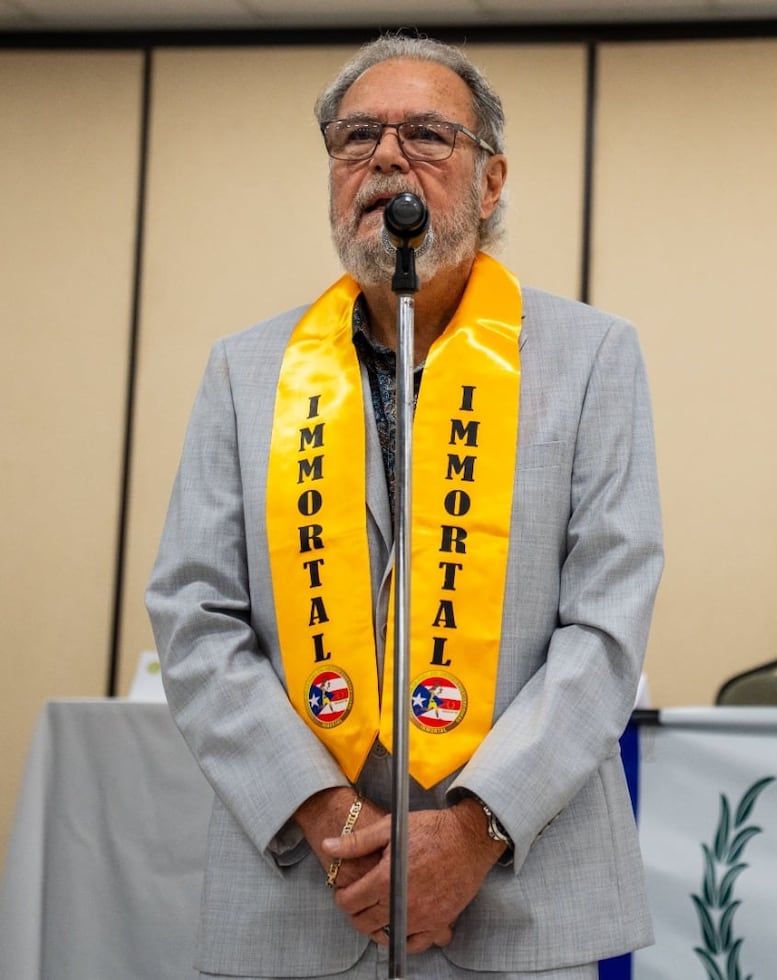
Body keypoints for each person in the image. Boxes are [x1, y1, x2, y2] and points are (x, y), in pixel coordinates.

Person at [146, 32, 664, 980]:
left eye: (427, 135)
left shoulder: (593, 359)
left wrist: (471, 833)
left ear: (491, 178)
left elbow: (607, 626)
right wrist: (335, 820)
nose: (386, 158)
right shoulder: (245, 372)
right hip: (305, 892)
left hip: (517, 902)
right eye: (356, 139)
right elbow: (193, 614)